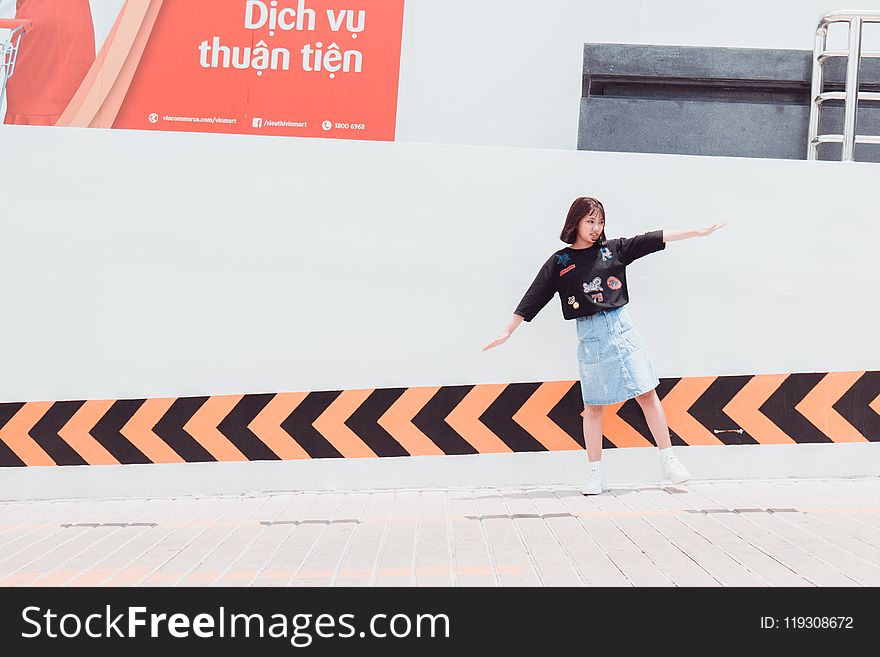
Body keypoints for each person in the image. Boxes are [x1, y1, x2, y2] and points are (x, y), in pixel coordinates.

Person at [483, 197, 724, 494]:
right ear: (576, 222)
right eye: (590, 222)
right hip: (591, 335)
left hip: (623, 328)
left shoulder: (614, 250)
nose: (596, 228)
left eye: (600, 222)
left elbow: (653, 238)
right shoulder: (561, 262)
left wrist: (697, 233)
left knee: (647, 393)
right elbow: (534, 295)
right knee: (593, 406)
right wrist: (508, 331)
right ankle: (595, 473)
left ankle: (669, 460)